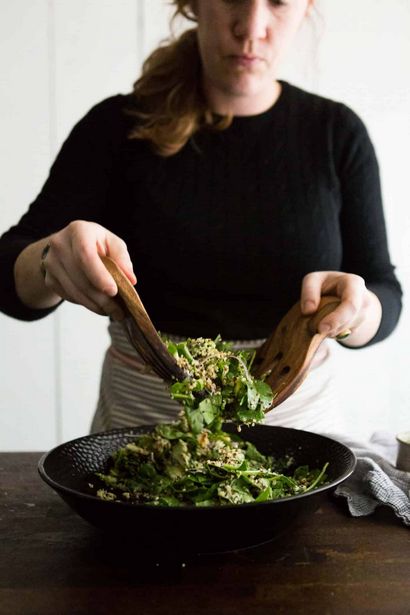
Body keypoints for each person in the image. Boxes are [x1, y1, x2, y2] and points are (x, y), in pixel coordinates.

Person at [0, 0, 402, 434]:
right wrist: (48, 261)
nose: (252, 28)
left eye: (279, 2)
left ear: (306, 8)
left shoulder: (336, 133)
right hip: (142, 440)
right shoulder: (116, 127)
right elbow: (9, 274)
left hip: (300, 442)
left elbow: (383, 289)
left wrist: (358, 312)